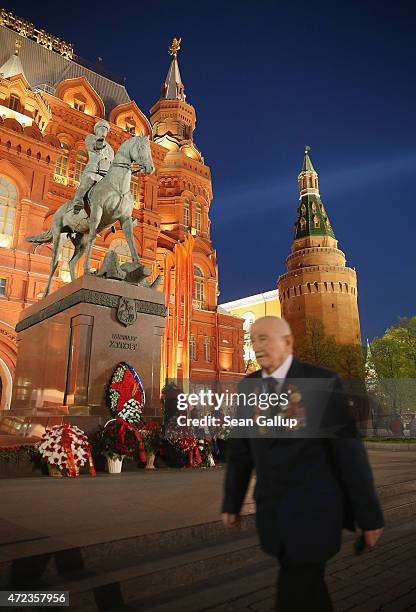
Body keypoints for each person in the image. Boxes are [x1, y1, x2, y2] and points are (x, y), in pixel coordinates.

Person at [221, 316, 384, 612]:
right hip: (274, 513)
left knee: (294, 590)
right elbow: (241, 451)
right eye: (254, 339)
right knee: (310, 589)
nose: (257, 346)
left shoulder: (321, 382)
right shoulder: (249, 387)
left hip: (315, 513)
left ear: (288, 342)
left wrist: (369, 516)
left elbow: (350, 455)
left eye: (264, 338)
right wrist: (232, 501)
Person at [72, 120, 114, 214]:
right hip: (92, 170)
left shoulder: (110, 148)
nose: (103, 131)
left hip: (104, 176)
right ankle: (78, 202)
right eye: (101, 129)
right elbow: (94, 147)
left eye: (105, 130)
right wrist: (100, 142)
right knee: (87, 183)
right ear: (96, 130)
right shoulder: (91, 138)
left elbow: (112, 162)